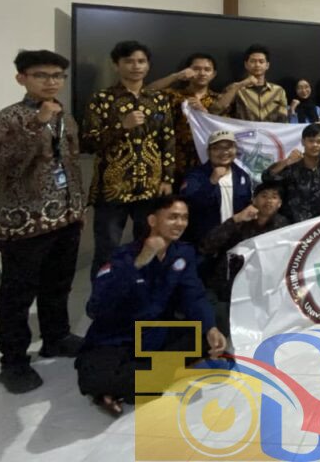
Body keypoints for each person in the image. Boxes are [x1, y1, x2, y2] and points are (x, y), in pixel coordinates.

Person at [0, 49, 86, 394]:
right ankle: (13, 361)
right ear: (22, 78)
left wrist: (78, 208)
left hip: (65, 218)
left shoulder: (64, 115)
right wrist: (36, 124)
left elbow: (69, 164)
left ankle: (56, 338)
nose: (51, 82)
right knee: (17, 294)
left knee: (58, 285)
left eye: (57, 76)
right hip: (25, 222)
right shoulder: (8, 117)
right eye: (42, 75)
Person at [75, 196, 227, 416]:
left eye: (184, 218)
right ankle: (150, 379)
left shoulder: (182, 253)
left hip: (155, 333)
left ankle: (131, 386)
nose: (180, 223)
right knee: (95, 378)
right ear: (153, 220)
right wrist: (140, 262)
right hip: (117, 336)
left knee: (210, 330)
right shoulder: (122, 256)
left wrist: (210, 328)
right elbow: (96, 307)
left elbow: (193, 295)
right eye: (173, 217)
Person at [82, 40, 174, 277]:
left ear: (148, 65)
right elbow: (88, 142)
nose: (136, 66)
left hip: (150, 186)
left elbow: (167, 140)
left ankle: (143, 294)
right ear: (116, 65)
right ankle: (105, 297)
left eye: (141, 61)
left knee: (149, 246)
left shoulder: (159, 99)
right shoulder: (101, 99)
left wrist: (167, 178)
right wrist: (121, 127)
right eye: (129, 61)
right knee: (107, 250)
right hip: (112, 188)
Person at [200, 182, 289, 339]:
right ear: (254, 200)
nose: (269, 201)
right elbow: (207, 245)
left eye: (274, 197)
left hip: (260, 292)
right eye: (264, 196)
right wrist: (236, 219)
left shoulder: (283, 225)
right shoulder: (240, 220)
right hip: (227, 288)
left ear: (280, 203)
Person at [146, 52, 223, 185]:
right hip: (174, 161)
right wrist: (176, 76)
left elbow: (225, 130)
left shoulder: (219, 100)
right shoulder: (174, 96)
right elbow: (147, 92)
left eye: (207, 69)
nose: (202, 73)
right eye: (196, 69)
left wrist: (205, 113)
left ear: (213, 74)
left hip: (207, 162)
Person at [179, 131, 253, 245]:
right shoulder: (195, 175)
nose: (224, 152)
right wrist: (211, 182)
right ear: (208, 151)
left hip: (234, 241)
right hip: (204, 242)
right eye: (218, 148)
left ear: (235, 150)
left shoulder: (242, 176)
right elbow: (189, 204)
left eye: (228, 147)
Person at [261, 123, 320, 223]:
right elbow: (266, 178)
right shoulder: (291, 164)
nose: (315, 145)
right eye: (311, 141)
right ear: (303, 142)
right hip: (292, 224)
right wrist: (286, 162)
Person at [212, 44, 287, 122]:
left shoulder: (278, 91)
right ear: (246, 64)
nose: (257, 65)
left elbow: (284, 120)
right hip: (243, 129)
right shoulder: (235, 88)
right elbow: (215, 110)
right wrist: (240, 85)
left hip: (270, 130)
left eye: (261, 61)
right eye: (253, 61)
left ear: (267, 65)